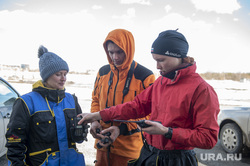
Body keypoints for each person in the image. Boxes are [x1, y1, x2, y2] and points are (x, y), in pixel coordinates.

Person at [78, 29, 220, 166]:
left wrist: (167, 132)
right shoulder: (161, 82)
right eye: (155, 60)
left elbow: (208, 138)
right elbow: (135, 106)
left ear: (179, 56)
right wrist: (98, 115)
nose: (157, 66)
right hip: (149, 154)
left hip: (178, 159)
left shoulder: (202, 90)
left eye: (161, 60)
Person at [5, 45, 88, 166]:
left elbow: (79, 138)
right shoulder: (26, 102)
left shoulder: (71, 100)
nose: (63, 78)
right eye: (58, 74)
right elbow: (15, 142)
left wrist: (81, 131)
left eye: (65, 74)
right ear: (46, 76)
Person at [90, 29, 155, 166]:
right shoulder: (102, 72)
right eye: (111, 52)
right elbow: (95, 100)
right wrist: (94, 120)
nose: (115, 57)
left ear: (129, 49)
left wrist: (122, 129)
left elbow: (150, 114)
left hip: (129, 150)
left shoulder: (145, 76)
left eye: (120, 52)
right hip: (102, 145)